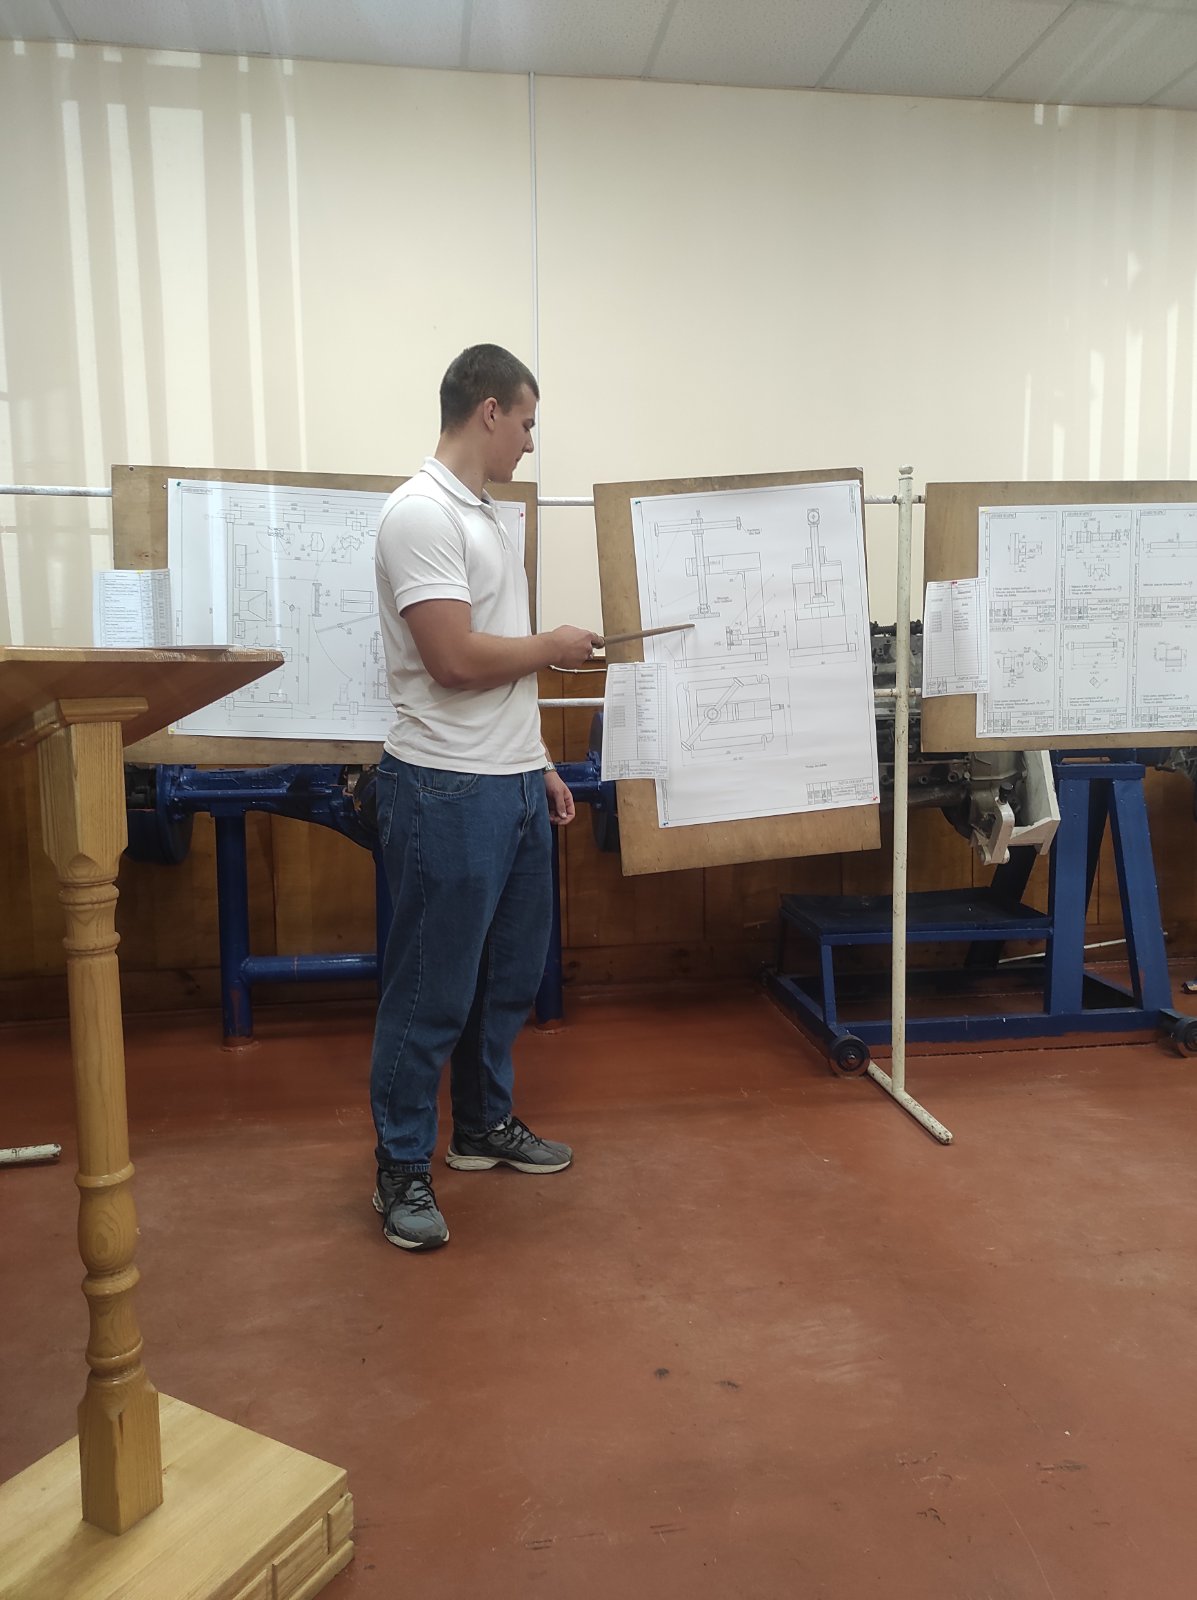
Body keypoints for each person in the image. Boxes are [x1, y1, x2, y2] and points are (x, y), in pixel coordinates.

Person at [369, 344, 599, 1251]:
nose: (530, 443)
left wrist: (536, 760)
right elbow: (455, 660)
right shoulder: (419, 514)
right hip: (443, 788)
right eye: (527, 423)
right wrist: (555, 646)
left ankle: (480, 1127)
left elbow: (497, 661)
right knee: (430, 992)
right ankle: (399, 1167)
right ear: (489, 410)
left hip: (507, 782)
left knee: (505, 980)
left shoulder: (487, 517)